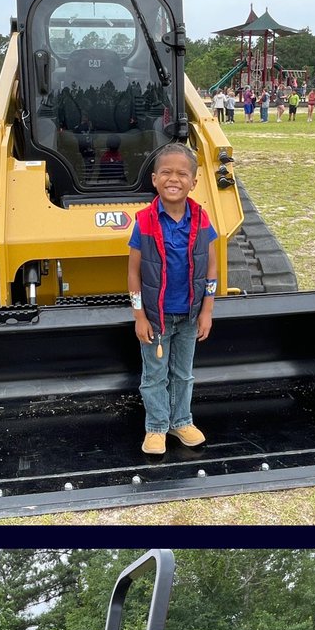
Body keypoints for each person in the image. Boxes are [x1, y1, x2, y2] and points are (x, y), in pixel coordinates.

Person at [127, 144, 218, 456]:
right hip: (156, 318)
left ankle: (181, 421)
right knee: (154, 375)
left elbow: (212, 268)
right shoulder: (144, 222)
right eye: (166, 172)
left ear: (194, 181)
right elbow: (134, 273)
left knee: (183, 373)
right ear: (154, 179)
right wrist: (139, 315)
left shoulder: (203, 220)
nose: (173, 178)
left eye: (182, 173)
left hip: (190, 317)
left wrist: (207, 309)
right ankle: (156, 427)